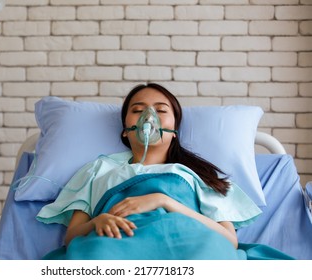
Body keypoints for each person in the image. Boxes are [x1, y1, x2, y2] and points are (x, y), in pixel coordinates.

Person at [36, 83, 293, 260]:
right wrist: (97, 221)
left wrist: (164, 200)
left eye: (160, 110)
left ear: (175, 129)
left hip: (192, 243)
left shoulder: (196, 175)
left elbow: (229, 240)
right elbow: (72, 237)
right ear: (125, 130)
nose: (149, 116)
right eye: (137, 111)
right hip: (115, 243)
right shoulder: (98, 169)